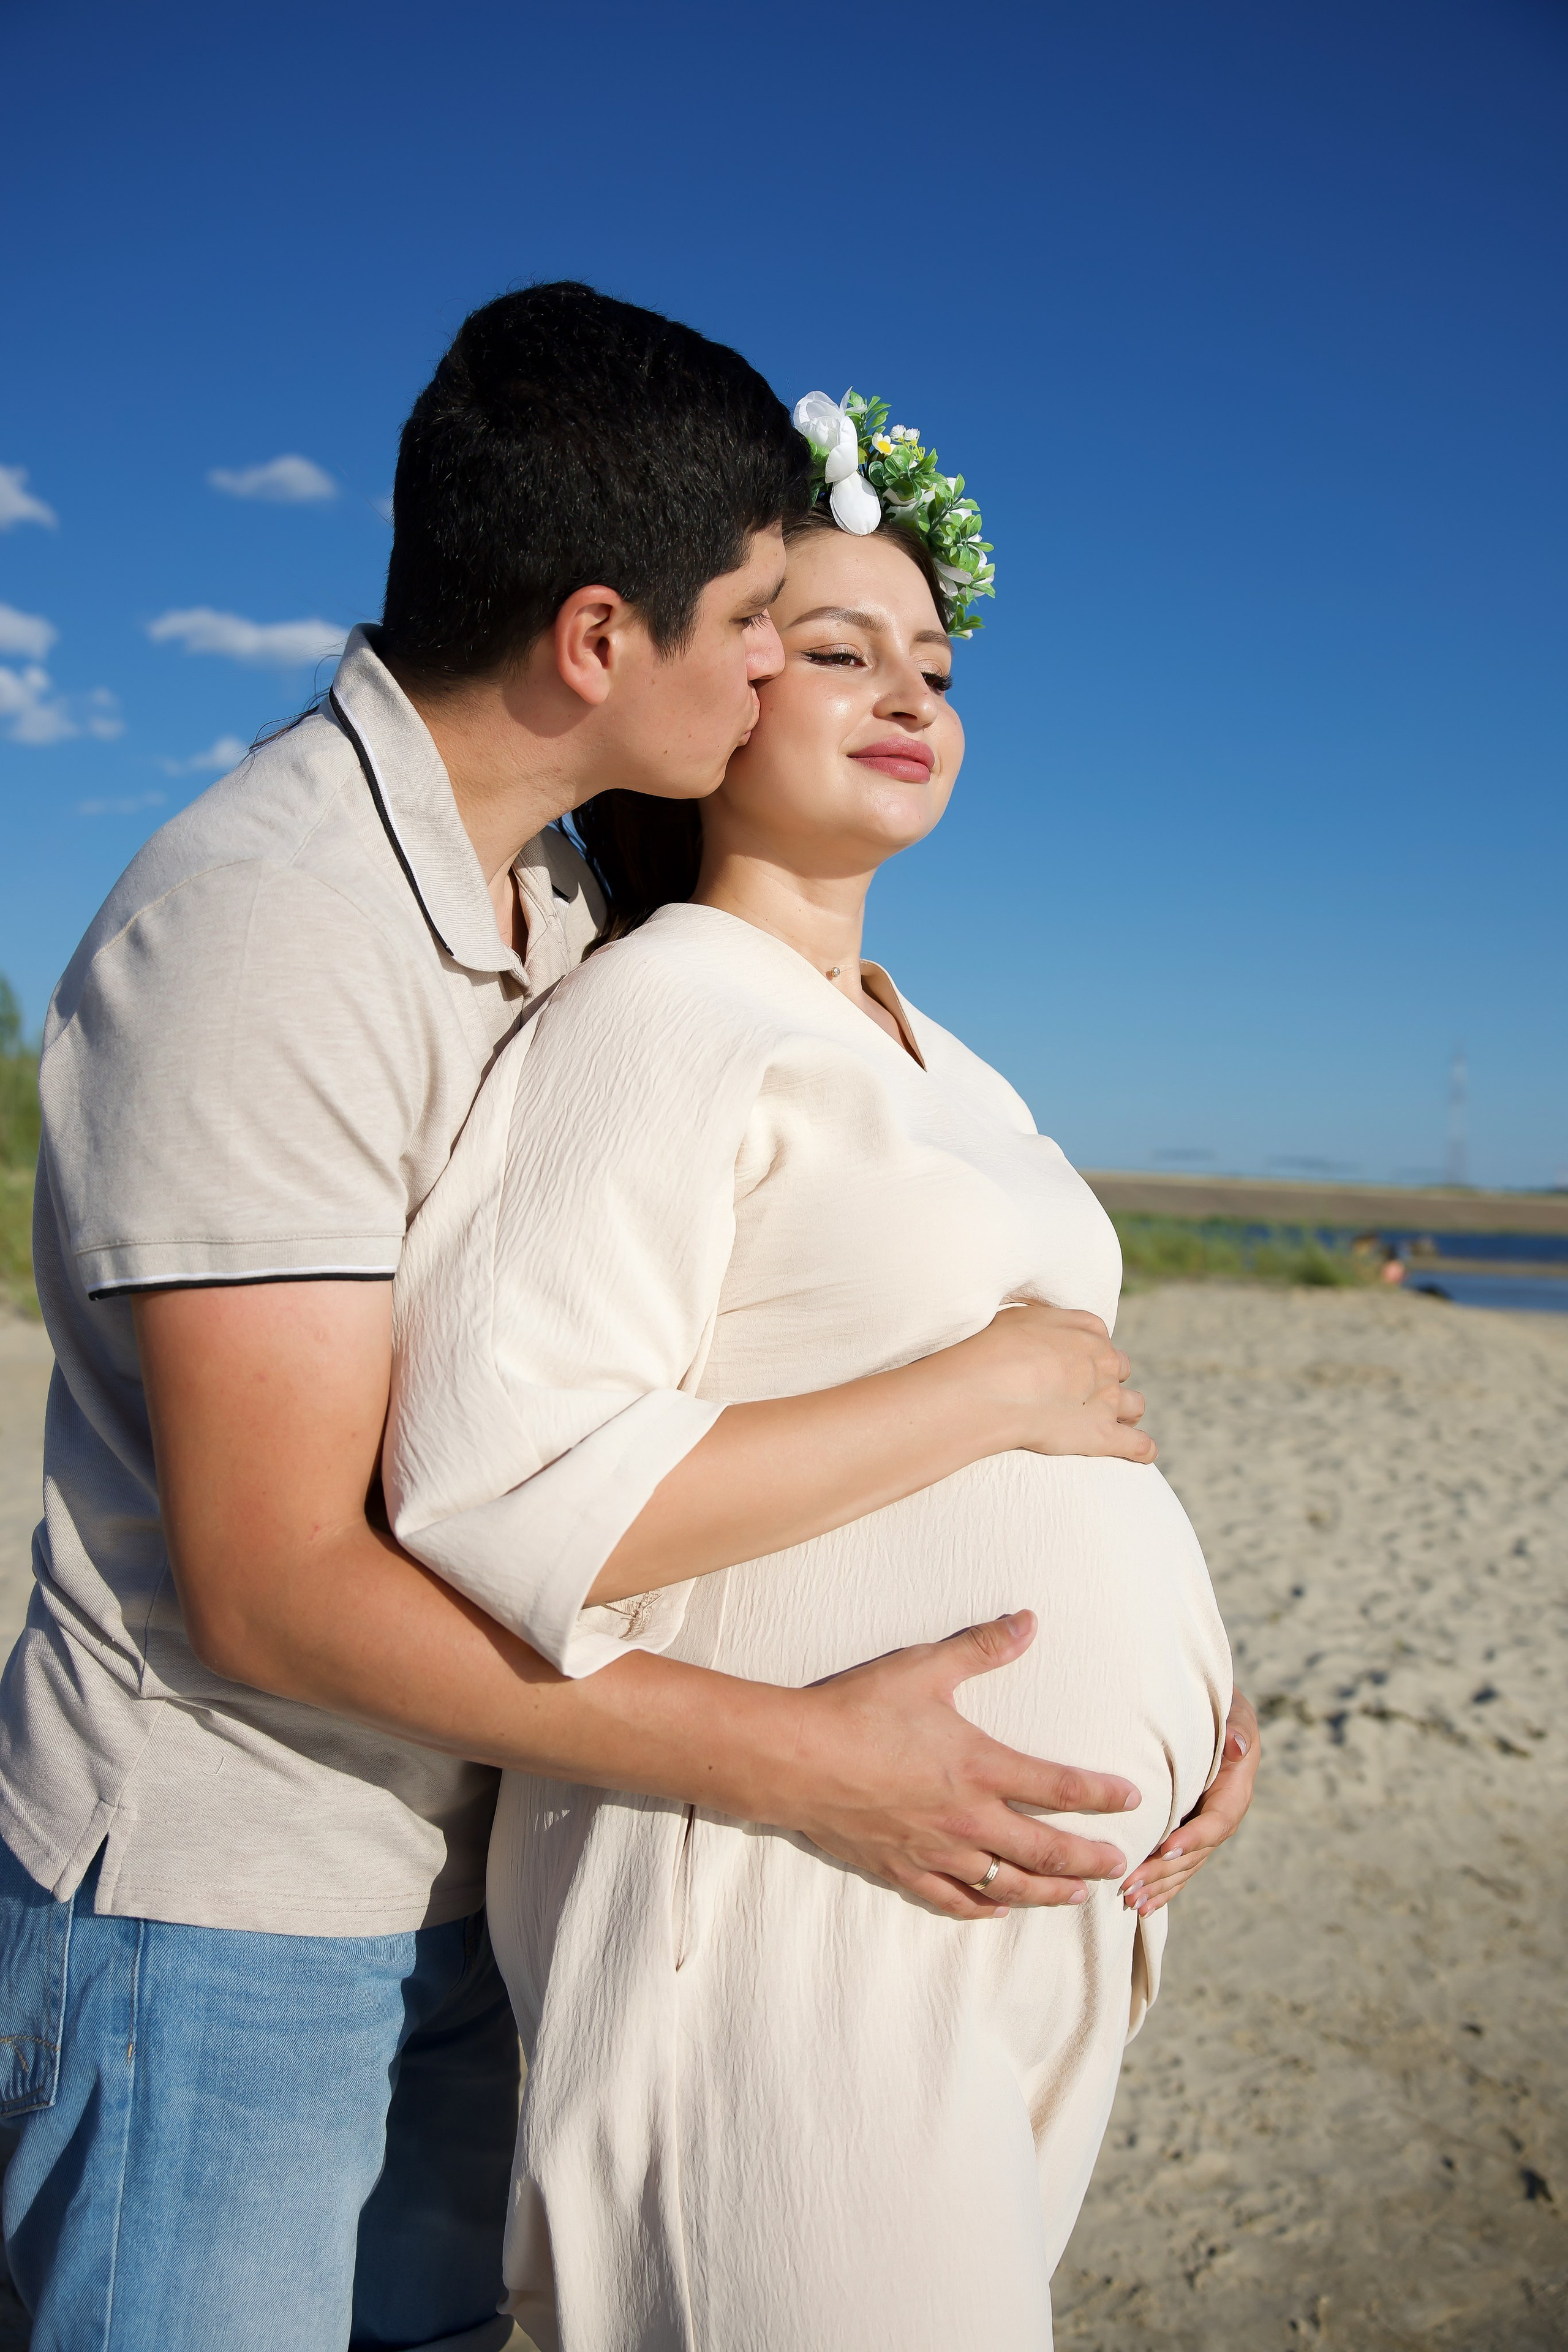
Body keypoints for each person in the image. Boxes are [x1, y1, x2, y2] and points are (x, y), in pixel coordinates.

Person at [0, 290, 1253, 2352]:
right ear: (602, 640)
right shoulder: (271, 933)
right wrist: (806, 1760)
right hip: (232, 1902)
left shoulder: (560, 906)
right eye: (774, 622)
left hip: (461, 1848)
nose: (796, 668)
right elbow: (279, 1585)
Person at [385, 392, 1250, 2351]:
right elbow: (492, 1488)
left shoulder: (949, 1053)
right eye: (834, 651)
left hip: (1019, 1904)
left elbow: (1066, 1410)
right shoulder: (656, 1012)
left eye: (932, 664)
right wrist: (988, 1403)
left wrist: (1207, 1691)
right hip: (777, 1893)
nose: (904, 693)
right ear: (720, 697)